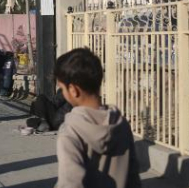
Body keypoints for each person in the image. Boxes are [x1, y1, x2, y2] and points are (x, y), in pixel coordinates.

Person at [54, 48, 140, 188]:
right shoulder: (121, 123)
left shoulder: (70, 131)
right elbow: (133, 176)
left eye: (62, 89)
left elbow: (71, 183)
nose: (62, 93)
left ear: (73, 90)